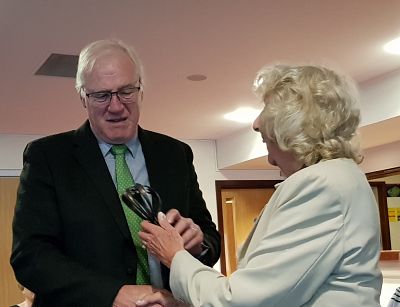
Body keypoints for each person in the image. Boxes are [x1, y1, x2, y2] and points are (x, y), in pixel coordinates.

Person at [137, 64, 383, 306]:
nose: (270, 159)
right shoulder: (341, 178)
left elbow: (243, 301)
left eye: (269, 141)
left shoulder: (322, 185)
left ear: (292, 130)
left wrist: (175, 255)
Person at [10, 39, 220, 307]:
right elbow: (30, 257)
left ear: (140, 90)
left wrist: (198, 244)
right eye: (102, 95)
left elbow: (211, 239)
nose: (117, 106)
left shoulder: (175, 154)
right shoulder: (48, 157)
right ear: (83, 98)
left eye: (126, 91)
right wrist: (113, 294)